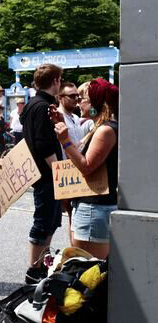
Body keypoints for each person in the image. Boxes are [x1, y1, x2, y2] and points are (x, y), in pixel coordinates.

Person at [55, 78, 118, 260]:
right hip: (89, 206)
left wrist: (65, 140)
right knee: (83, 265)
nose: (77, 103)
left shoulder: (105, 130)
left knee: (88, 268)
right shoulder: (100, 128)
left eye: (82, 98)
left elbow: (86, 166)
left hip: (94, 207)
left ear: (95, 104)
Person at [20, 63, 64, 284]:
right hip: (47, 174)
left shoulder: (33, 104)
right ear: (55, 80)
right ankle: (34, 269)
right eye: (60, 79)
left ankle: (41, 266)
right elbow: (43, 144)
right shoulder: (43, 106)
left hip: (41, 172)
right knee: (44, 221)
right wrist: (59, 172)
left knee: (51, 221)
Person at [57, 82, 84, 148]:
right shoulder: (56, 117)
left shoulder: (76, 117)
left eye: (77, 95)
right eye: (72, 96)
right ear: (60, 98)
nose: (76, 98)